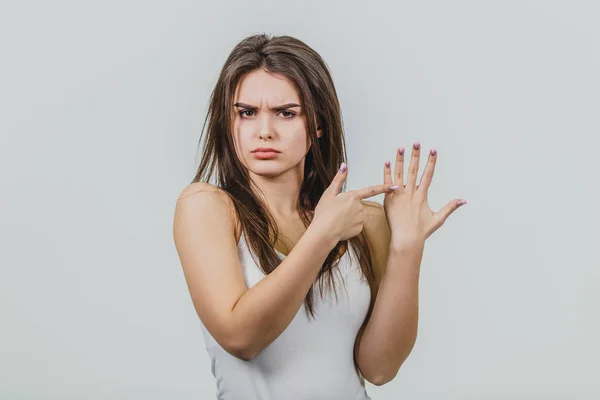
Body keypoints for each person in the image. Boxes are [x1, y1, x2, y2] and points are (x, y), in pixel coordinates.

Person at [173, 33, 466, 400]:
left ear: (317, 124)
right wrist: (322, 234)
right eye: (246, 112)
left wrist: (407, 247)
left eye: (286, 113)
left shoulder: (363, 222)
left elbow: (380, 368)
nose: (264, 131)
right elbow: (240, 337)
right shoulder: (207, 206)